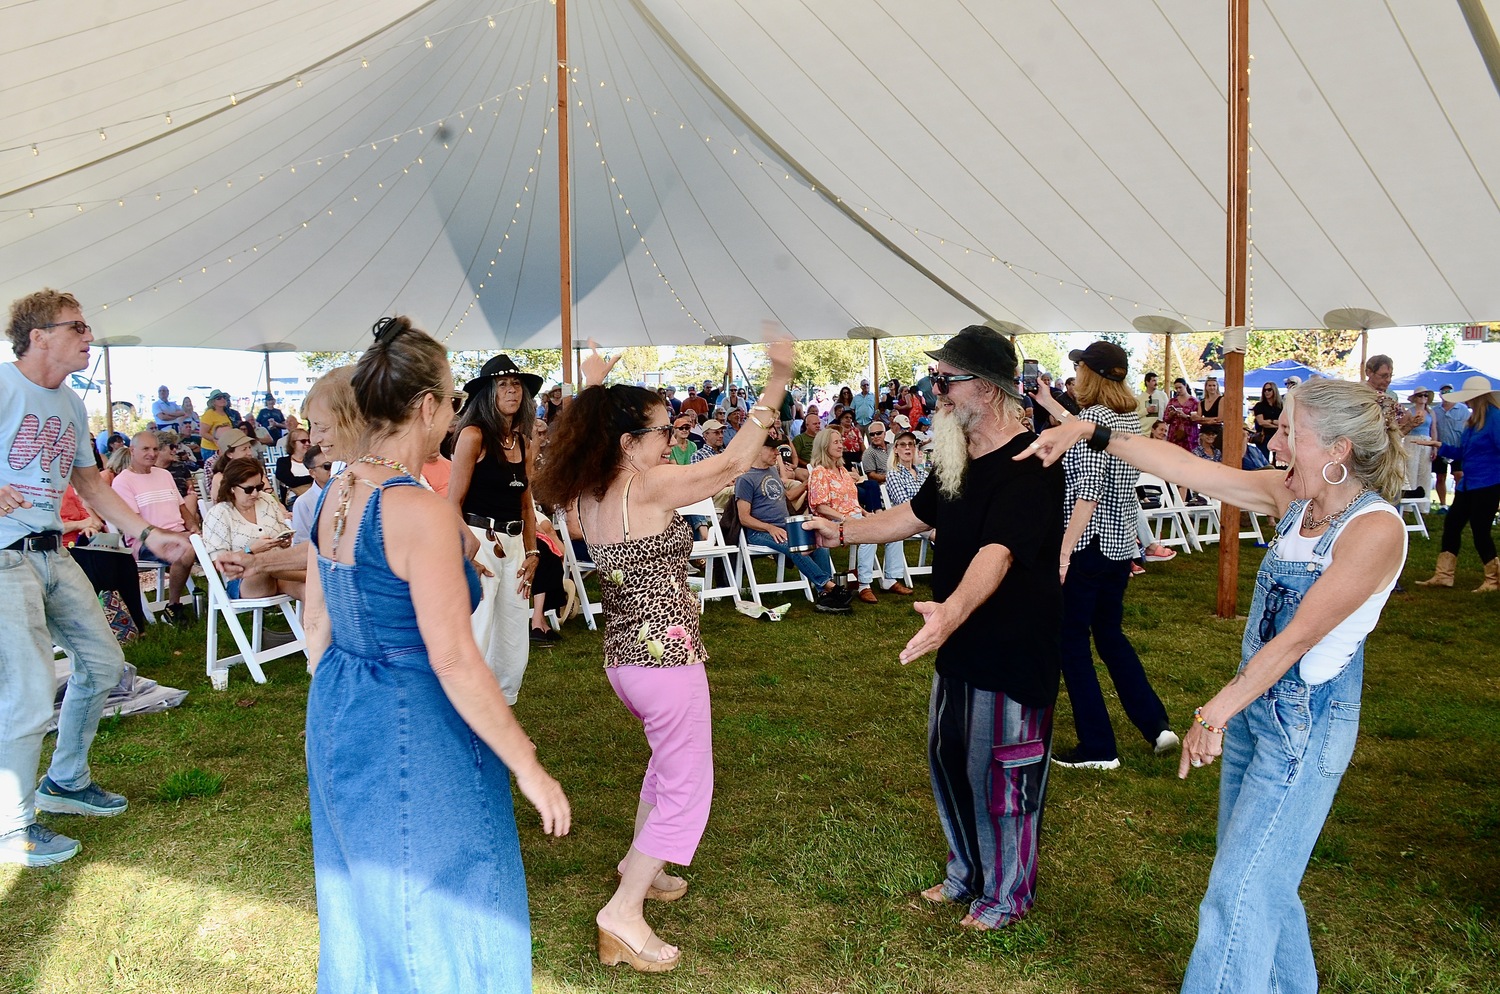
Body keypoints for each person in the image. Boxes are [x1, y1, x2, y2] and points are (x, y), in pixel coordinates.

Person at [1023, 377, 1409, 993]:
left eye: (1289, 433)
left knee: (1240, 889)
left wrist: (1215, 712)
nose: (1274, 444)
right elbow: (1186, 468)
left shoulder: (1376, 530)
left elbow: (1297, 638)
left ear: (1337, 449)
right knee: (1262, 878)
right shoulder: (1293, 499)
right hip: (1262, 714)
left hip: (1305, 725)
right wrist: (1091, 431)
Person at [299, 315, 569, 991]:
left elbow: (318, 623)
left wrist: (336, 696)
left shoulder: (340, 488)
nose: (454, 413)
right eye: (451, 399)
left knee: (367, 895)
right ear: (425, 406)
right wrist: (529, 767)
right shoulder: (417, 510)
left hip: (339, 707)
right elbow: (454, 660)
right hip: (411, 721)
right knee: (437, 906)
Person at [531, 338, 793, 973]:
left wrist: (591, 385)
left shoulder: (589, 492)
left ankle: (638, 867)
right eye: (661, 431)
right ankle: (622, 911)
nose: (671, 440)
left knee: (666, 766)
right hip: (666, 664)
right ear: (627, 442)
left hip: (627, 660)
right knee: (686, 787)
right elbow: (734, 461)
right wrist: (778, 378)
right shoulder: (648, 487)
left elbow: (582, 429)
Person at [803, 325, 1065, 931]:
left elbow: (997, 554)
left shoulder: (1031, 466)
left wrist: (951, 610)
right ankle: (966, 873)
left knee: (1004, 774)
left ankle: (1007, 894)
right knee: (949, 758)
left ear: (992, 390)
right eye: (936, 379)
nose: (935, 392)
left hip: (1011, 647)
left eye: (947, 381)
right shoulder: (956, 458)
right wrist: (841, 532)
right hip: (957, 641)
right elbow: (913, 517)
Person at [1, 288, 194, 867]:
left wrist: (146, 533)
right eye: (77, 327)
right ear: (39, 336)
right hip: (5, 559)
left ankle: (66, 781)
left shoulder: (72, 405)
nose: (89, 337)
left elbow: (90, 485)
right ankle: (11, 826)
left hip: (54, 553)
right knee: (30, 692)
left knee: (106, 666)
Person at [1030, 342, 1177, 770]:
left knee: (1071, 644)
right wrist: (1050, 404)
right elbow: (1083, 427)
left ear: (1090, 373)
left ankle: (1098, 747)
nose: (1073, 374)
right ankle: (1156, 725)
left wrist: (1062, 553)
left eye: (1077, 367)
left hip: (1087, 546)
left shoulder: (1095, 418)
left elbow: (1088, 491)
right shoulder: (1123, 417)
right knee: (1110, 636)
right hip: (1118, 547)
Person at [447, 354, 554, 695]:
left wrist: (533, 551)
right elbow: (453, 503)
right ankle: (466, 721)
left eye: (516, 384)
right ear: (488, 394)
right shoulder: (473, 436)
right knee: (478, 633)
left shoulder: (525, 442)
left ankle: (501, 716)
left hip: (514, 546)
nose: (512, 391)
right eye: (503, 385)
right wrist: (465, 554)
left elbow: (525, 501)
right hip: (479, 538)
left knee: (512, 640)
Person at [735, 438, 851, 612]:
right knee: (795, 547)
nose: (777, 453)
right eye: (773, 449)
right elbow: (744, 518)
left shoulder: (772, 471)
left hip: (784, 527)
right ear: (758, 450)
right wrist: (769, 527)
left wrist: (806, 484)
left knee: (819, 543)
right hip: (758, 532)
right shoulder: (745, 479)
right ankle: (830, 587)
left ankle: (825, 595)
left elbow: (786, 497)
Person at [1415, 376, 1500, 592]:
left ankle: (1494, 579)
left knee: (1480, 530)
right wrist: (1439, 445)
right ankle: (1444, 575)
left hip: (1488, 484)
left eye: (1469, 399)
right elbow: (1463, 452)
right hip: (1468, 485)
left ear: (1478, 398)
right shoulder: (1473, 422)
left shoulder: (1495, 419)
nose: (1466, 402)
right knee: (1452, 524)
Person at [112, 431, 200, 623]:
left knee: (221, 541)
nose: (152, 453)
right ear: (132, 450)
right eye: (146, 449)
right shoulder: (123, 481)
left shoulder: (164, 474)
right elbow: (136, 524)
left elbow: (182, 506)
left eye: (155, 449)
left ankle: (233, 596)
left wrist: (193, 526)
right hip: (145, 540)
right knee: (185, 550)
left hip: (178, 534)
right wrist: (177, 536)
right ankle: (173, 607)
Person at [808, 428, 901, 603]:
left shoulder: (842, 470)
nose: (840, 445)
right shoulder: (820, 472)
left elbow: (852, 501)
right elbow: (820, 506)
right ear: (824, 445)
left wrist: (866, 513)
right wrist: (845, 518)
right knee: (868, 532)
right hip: (833, 521)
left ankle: (890, 578)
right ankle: (864, 584)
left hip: (854, 516)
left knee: (894, 528)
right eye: (835, 442)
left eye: (840, 441)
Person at [201, 457, 304, 601]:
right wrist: (252, 550)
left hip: (280, 575)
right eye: (249, 489)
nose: (255, 494)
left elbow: (283, 532)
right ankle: (314, 576)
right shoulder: (219, 514)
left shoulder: (266, 500)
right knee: (263, 562)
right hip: (244, 579)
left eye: (259, 487)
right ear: (232, 488)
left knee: (309, 592)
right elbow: (219, 564)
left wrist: (284, 541)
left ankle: (314, 621)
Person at [1433, 384, 1469, 510]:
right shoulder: (1436, 410)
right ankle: (1443, 505)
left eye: (1449, 391)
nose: (1446, 393)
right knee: (1440, 476)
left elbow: (1469, 427)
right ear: (1440, 394)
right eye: (1444, 391)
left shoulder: (1463, 409)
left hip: (1458, 448)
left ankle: (1458, 504)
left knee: (1459, 475)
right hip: (1440, 449)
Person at [291, 444, 334, 546]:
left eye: (336, 464)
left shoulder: (349, 491)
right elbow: (301, 543)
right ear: (312, 473)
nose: (333, 470)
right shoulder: (303, 503)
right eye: (327, 466)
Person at [1402, 389, 1436, 496]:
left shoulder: (1431, 413)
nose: (1423, 398)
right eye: (1420, 395)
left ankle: (1423, 504)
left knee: (1425, 472)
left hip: (1426, 441)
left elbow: (1434, 429)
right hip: (1412, 440)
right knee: (1411, 469)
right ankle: (1409, 502)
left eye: (1425, 396)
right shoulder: (1409, 412)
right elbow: (1403, 427)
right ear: (1415, 398)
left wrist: (1434, 446)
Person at [274, 429, 315, 502]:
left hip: (316, 497)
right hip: (294, 499)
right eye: (303, 441)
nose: (307, 443)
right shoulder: (283, 462)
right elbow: (291, 481)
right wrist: (313, 477)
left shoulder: (314, 460)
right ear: (293, 444)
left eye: (309, 441)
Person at [1164, 377, 1200, 451]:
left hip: (1189, 434)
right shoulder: (1172, 401)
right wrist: (1171, 415)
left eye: (1180, 387)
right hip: (1175, 434)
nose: (1178, 390)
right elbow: (1165, 419)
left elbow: (1198, 419)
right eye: (1176, 388)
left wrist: (1186, 416)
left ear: (1185, 386)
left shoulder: (1194, 401)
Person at [1251, 382, 1283, 459]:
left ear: (1274, 390)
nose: (1266, 392)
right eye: (1264, 390)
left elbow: (1283, 422)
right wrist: (1274, 423)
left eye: (1269, 390)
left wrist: (1269, 421)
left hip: (1278, 436)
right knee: (1263, 460)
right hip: (1264, 436)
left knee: (1280, 460)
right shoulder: (1260, 405)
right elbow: (1261, 422)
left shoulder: (1280, 406)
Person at [198, 390, 235, 456]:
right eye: (219, 398)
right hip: (210, 449)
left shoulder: (226, 412)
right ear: (213, 402)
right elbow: (203, 433)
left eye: (224, 397)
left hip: (223, 448)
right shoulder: (209, 414)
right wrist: (215, 440)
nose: (222, 399)